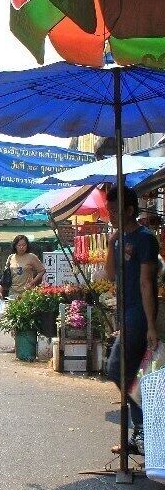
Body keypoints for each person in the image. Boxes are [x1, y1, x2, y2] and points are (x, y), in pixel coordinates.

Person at [105, 185, 159, 456]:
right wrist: (111, 244)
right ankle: (144, 433)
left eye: (115, 210)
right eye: (108, 209)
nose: (110, 214)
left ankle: (144, 432)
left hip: (139, 315)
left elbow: (147, 282)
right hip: (125, 314)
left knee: (118, 370)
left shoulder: (146, 239)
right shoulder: (118, 239)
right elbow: (110, 275)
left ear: (129, 210)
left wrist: (151, 325)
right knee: (132, 376)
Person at [0, 235, 45, 300]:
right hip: (13, 293)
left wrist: (32, 283)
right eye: (19, 245)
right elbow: (5, 276)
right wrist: (0, 292)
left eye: (24, 245)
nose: (21, 247)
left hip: (27, 293)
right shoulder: (11, 257)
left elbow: (42, 271)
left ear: (27, 245)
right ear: (15, 246)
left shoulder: (32, 257)